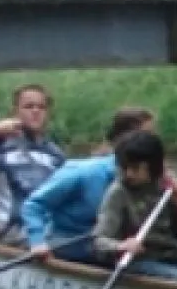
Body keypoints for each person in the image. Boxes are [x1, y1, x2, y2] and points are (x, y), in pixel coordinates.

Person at [23, 106, 159, 263]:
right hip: (69, 241)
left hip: (113, 245)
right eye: (148, 136)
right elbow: (34, 205)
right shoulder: (83, 173)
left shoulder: (147, 178)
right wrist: (37, 242)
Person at [0, 82, 65, 244]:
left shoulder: (55, 154)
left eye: (41, 107)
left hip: (47, 233)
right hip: (13, 233)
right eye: (29, 106)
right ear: (15, 111)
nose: (36, 111)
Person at [92, 130, 177, 281]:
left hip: (170, 255)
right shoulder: (118, 193)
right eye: (125, 168)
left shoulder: (168, 187)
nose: (129, 174)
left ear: (152, 167)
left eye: (135, 168)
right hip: (137, 260)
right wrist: (121, 246)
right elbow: (99, 241)